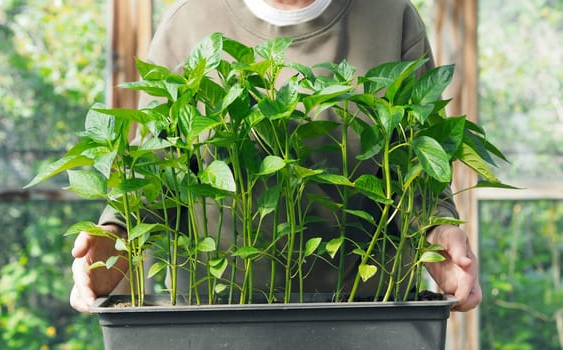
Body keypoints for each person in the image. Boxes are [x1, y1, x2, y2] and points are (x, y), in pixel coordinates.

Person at [70, 0, 482, 313]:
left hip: (368, 312)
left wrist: (438, 232)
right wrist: (116, 238)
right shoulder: (191, 21)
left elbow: (419, 168)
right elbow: (156, 176)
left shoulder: (391, 16)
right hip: (215, 314)